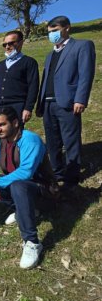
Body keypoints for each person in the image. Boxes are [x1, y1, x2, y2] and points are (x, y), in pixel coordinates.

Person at [0, 106, 58, 269]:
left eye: (2, 125)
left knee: (18, 185)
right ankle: (24, 210)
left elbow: (26, 172)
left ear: (15, 123)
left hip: (44, 191)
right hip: (22, 189)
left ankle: (32, 242)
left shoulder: (30, 140)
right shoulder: (4, 142)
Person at [36, 15, 96, 190]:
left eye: (55, 31)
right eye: (50, 32)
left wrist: (80, 99)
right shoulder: (49, 55)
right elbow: (46, 79)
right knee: (52, 142)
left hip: (68, 102)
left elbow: (86, 74)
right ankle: (57, 173)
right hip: (48, 104)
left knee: (70, 140)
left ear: (67, 28)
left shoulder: (82, 46)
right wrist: (40, 104)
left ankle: (71, 177)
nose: (52, 35)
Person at [0, 30, 39, 148]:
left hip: (17, 107)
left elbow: (33, 86)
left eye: (11, 43)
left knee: (14, 140)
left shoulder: (29, 62)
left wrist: (28, 108)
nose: (7, 47)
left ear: (20, 43)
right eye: (5, 44)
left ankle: (14, 165)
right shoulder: (0, 65)